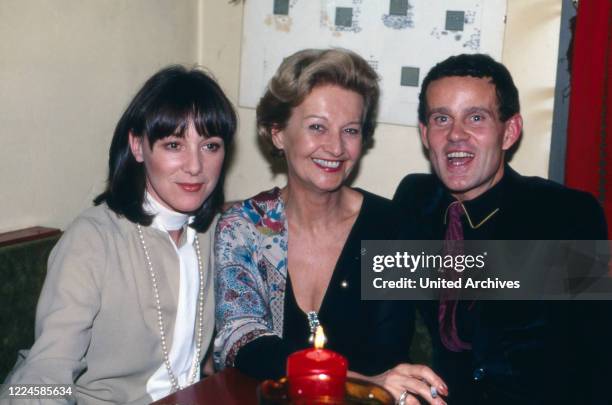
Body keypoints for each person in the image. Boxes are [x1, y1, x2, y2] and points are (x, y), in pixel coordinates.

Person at [214, 48, 448, 404]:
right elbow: (244, 340)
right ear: (277, 133)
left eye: (350, 130)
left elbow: (390, 351)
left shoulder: (390, 227)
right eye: (317, 127)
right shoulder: (245, 227)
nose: (336, 147)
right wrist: (362, 384)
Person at [3, 66, 236, 404]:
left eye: (210, 146)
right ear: (138, 147)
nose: (195, 166)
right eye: (174, 144)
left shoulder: (216, 232)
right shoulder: (92, 240)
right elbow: (47, 370)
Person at [393, 53, 611, 404]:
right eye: (441, 119)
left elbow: (598, 353)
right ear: (424, 133)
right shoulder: (414, 200)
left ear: (509, 132)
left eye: (476, 118)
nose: (455, 136)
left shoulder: (566, 215)